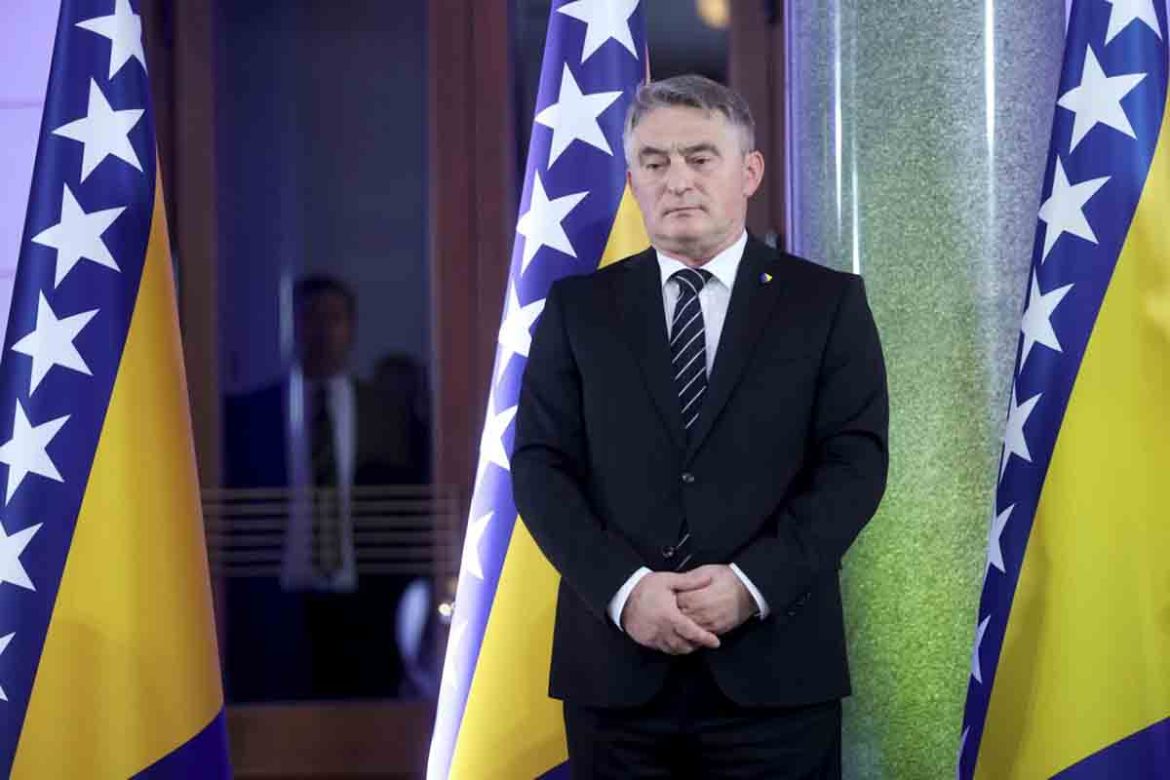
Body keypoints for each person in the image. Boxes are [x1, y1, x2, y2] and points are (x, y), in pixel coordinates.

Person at [512, 75, 889, 778]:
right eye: (654, 162)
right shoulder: (578, 309)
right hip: (616, 680)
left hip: (777, 678)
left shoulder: (826, 303)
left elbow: (854, 466)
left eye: (700, 157)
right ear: (633, 181)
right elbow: (539, 467)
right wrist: (626, 591)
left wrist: (751, 584)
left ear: (750, 171)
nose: (677, 180)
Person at [222, 274, 426, 701]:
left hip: (368, 603)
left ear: (351, 328)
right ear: (292, 327)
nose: (322, 329)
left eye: (334, 318)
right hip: (274, 604)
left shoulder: (389, 413)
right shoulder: (250, 414)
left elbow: (414, 508)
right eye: (310, 317)